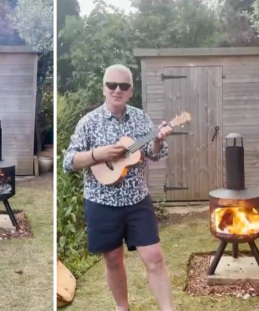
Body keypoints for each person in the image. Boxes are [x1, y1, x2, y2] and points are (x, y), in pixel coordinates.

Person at [63, 64, 175, 311]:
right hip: (101, 202)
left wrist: (157, 140)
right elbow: (68, 162)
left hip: (137, 200)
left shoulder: (140, 118)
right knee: (113, 259)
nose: (117, 90)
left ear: (131, 91)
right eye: (111, 85)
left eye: (123, 86)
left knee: (154, 257)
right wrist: (96, 154)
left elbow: (155, 154)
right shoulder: (88, 122)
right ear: (104, 88)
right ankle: (122, 308)